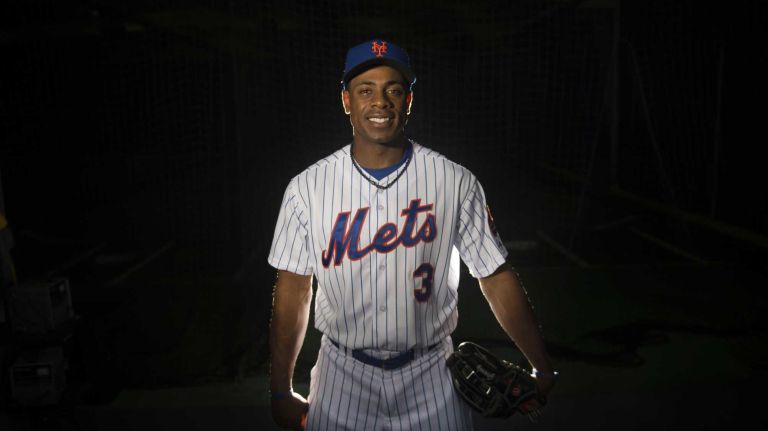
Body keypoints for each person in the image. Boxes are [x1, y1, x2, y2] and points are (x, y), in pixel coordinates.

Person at [268, 39, 556, 431]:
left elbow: (495, 275)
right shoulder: (305, 189)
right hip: (342, 377)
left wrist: (542, 367)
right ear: (347, 101)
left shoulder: (454, 181)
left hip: (432, 374)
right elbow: (294, 288)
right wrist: (281, 389)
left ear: (409, 101)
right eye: (365, 90)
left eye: (393, 90)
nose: (380, 102)